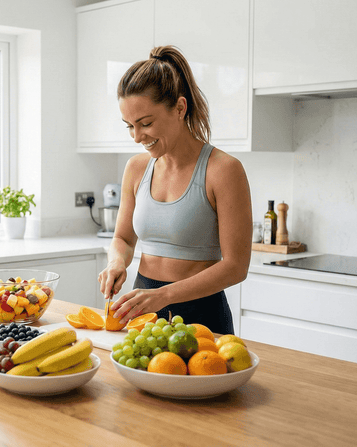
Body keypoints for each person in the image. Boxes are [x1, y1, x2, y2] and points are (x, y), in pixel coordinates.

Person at [97, 45, 252, 335]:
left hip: (202, 316)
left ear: (180, 108)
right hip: (141, 309)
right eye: (129, 126)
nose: (137, 137)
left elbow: (236, 266)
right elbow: (123, 238)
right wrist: (117, 262)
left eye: (146, 123)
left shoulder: (223, 170)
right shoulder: (136, 168)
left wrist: (163, 297)